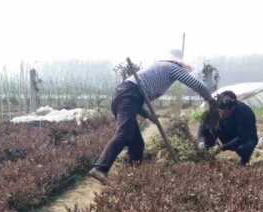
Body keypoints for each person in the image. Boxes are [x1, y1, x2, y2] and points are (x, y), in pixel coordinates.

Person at [88, 50, 219, 184]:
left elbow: (137, 101)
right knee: (125, 133)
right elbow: (194, 83)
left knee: (137, 144)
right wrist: (210, 99)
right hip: (127, 97)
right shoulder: (171, 67)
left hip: (127, 97)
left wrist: (149, 115)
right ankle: (99, 168)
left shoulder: (160, 69)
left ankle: (133, 176)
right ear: (179, 64)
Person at [198, 90, 258, 166]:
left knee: (244, 148)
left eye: (223, 110)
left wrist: (222, 147)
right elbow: (203, 126)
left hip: (242, 138)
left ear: (232, 108)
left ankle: (244, 160)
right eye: (218, 110)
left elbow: (243, 137)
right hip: (224, 133)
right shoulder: (215, 108)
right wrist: (201, 140)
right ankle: (207, 157)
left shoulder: (245, 113)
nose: (220, 112)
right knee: (209, 129)